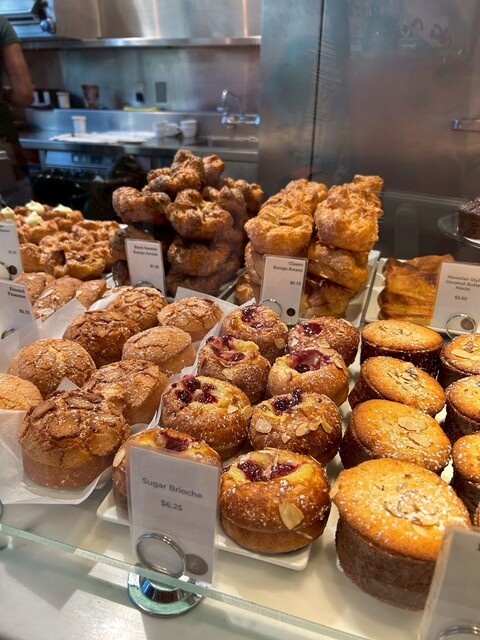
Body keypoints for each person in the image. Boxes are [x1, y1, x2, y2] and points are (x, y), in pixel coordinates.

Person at [0, 17, 34, 206]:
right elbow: (24, 94)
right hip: (3, 151)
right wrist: (4, 94)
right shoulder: (1, 24)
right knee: (17, 220)